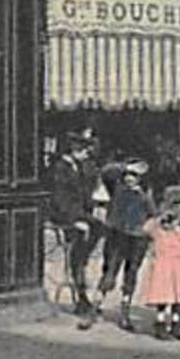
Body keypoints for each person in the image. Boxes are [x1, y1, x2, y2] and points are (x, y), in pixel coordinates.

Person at [90, 157, 155, 331]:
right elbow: (106, 172)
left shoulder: (144, 197)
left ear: (141, 178)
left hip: (136, 239)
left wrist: (146, 232)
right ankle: (95, 307)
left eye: (134, 175)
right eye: (127, 174)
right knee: (109, 270)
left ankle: (125, 311)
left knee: (131, 273)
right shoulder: (117, 189)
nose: (129, 178)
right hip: (116, 235)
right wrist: (124, 165)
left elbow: (152, 217)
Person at [45, 132, 103, 320]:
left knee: (100, 227)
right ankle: (81, 294)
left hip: (77, 213)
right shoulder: (60, 168)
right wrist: (75, 220)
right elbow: (61, 200)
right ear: (75, 149)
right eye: (85, 150)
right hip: (64, 217)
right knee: (79, 245)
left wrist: (93, 207)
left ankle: (82, 262)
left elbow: (84, 195)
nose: (88, 154)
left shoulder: (78, 167)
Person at [141, 185, 180, 341]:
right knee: (163, 296)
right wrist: (162, 219)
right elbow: (146, 229)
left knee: (178, 297)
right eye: (177, 204)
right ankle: (159, 324)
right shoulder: (159, 225)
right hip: (163, 264)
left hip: (179, 265)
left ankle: (176, 325)